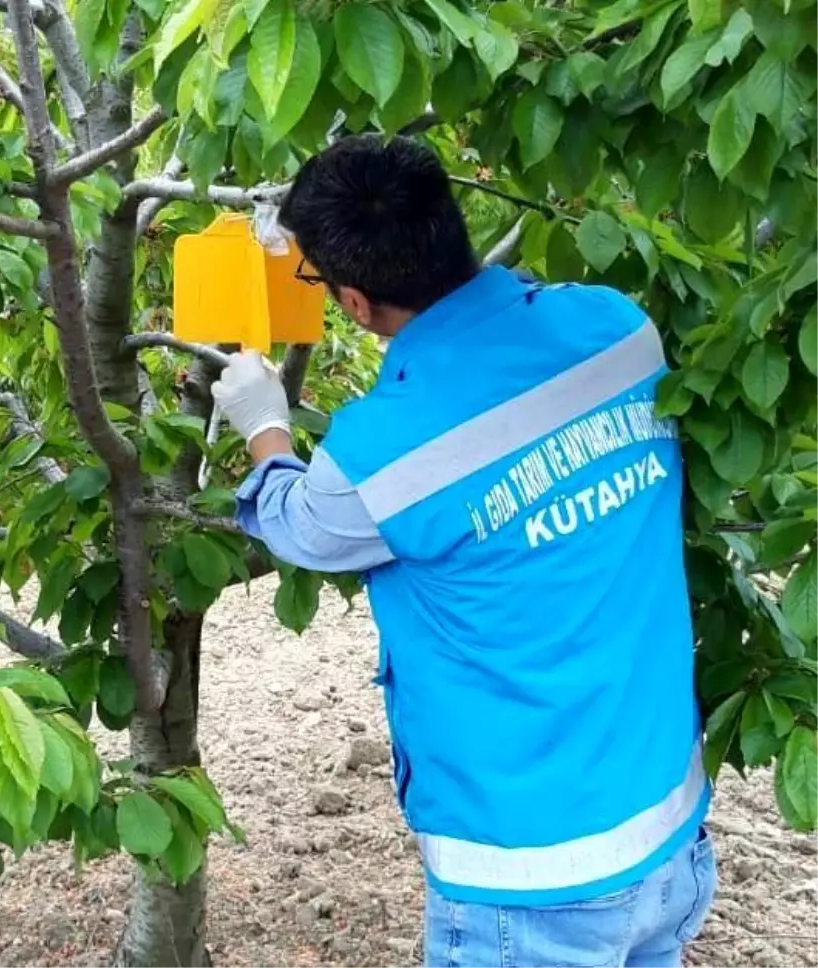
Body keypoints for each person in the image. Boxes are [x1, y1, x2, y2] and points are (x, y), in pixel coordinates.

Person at [210, 135, 716, 968]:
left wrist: (264, 425)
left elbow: (301, 527)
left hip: (534, 880)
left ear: (354, 302)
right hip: (669, 826)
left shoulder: (386, 452)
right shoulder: (617, 329)